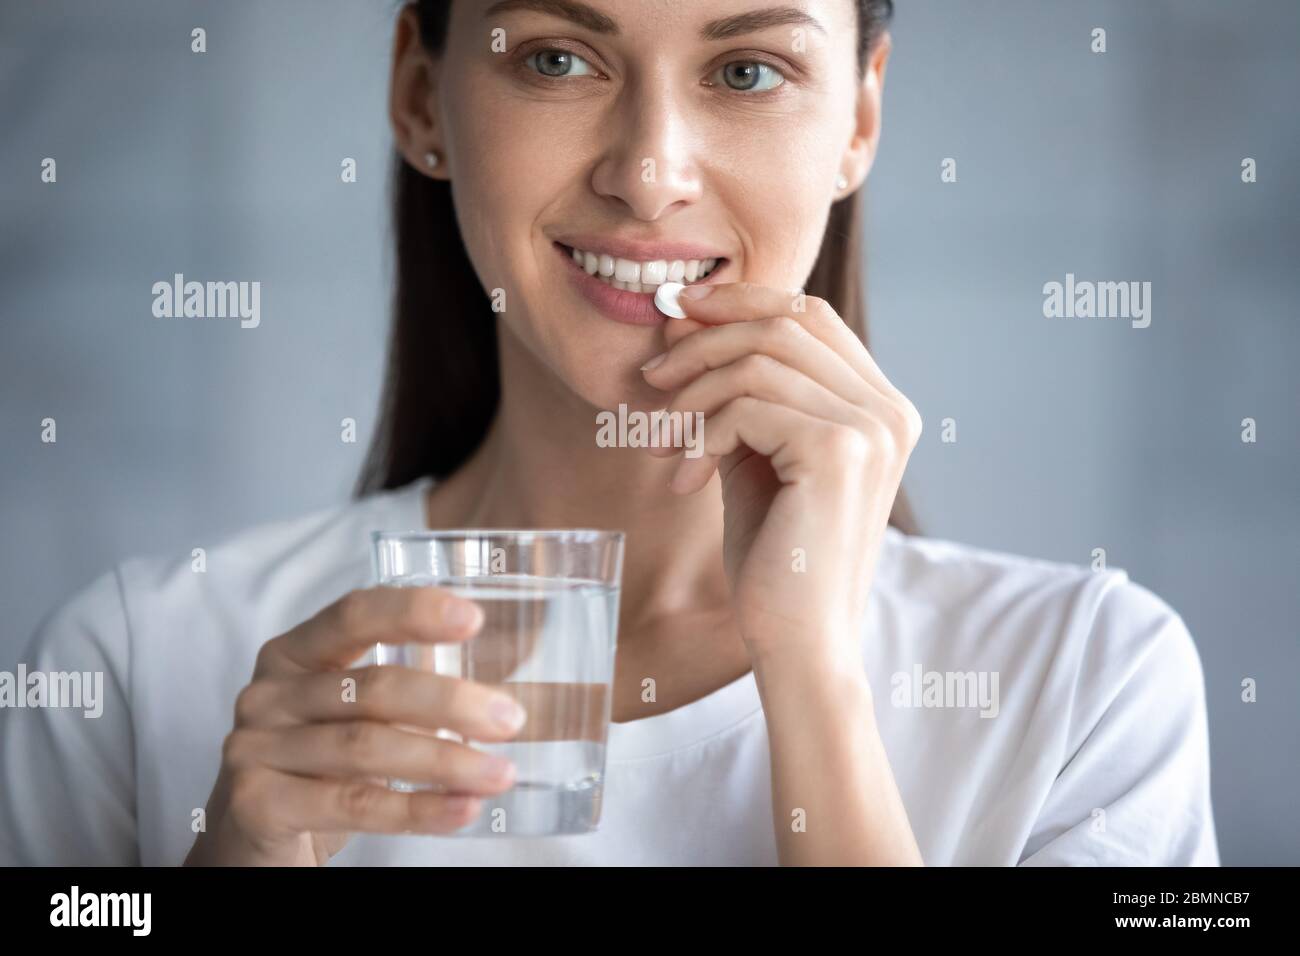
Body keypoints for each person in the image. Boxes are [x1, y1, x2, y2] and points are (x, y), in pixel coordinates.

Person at [0, 0, 1218, 866]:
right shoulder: (133, 660)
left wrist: (814, 682)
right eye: (555, 59)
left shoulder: (1092, 680)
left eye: (745, 71)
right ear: (421, 97)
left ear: (858, 118)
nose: (648, 172)